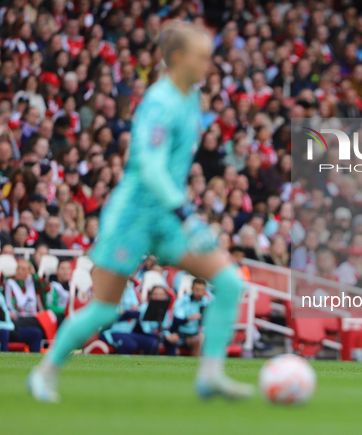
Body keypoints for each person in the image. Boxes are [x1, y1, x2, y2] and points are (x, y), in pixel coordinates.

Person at [28, 22, 254, 403]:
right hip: (132, 219)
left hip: (166, 220)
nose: (208, 64)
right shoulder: (160, 102)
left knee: (230, 283)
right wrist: (187, 213)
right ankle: (45, 372)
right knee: (103, 311)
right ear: (178, 58)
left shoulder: (190, 100)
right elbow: (148, 166)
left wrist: (180, 215)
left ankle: (210, 376)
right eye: (202, 56)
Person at [165, 278, 212, 357]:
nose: (199, 293)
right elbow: (176, 321)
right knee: (198, 341)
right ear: (192, 288)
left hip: (200, 334)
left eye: (202, 290)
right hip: (184, 335)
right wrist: (190, 318)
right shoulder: (183, 301)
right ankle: (196, 367)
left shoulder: (206, 301)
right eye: (197, 289)